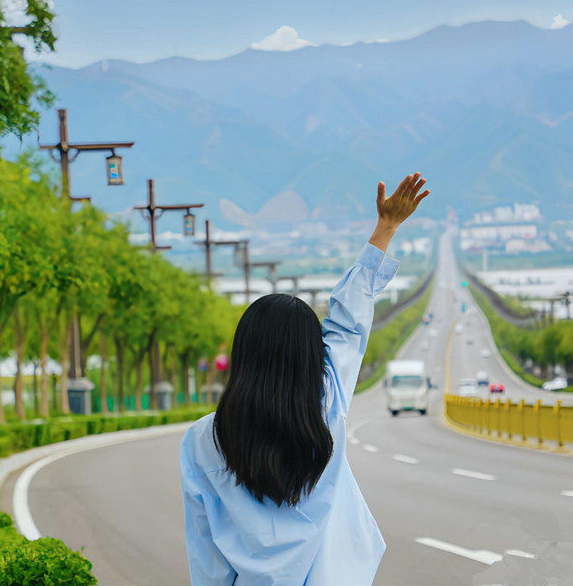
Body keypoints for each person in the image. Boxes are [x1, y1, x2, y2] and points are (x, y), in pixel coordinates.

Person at [180, 172, 430, 585]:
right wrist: (385, 228)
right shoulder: (327, 403)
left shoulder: (203, 441)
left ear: (244, 353)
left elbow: (205, 552)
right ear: (311, 356)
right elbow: (348, 324)